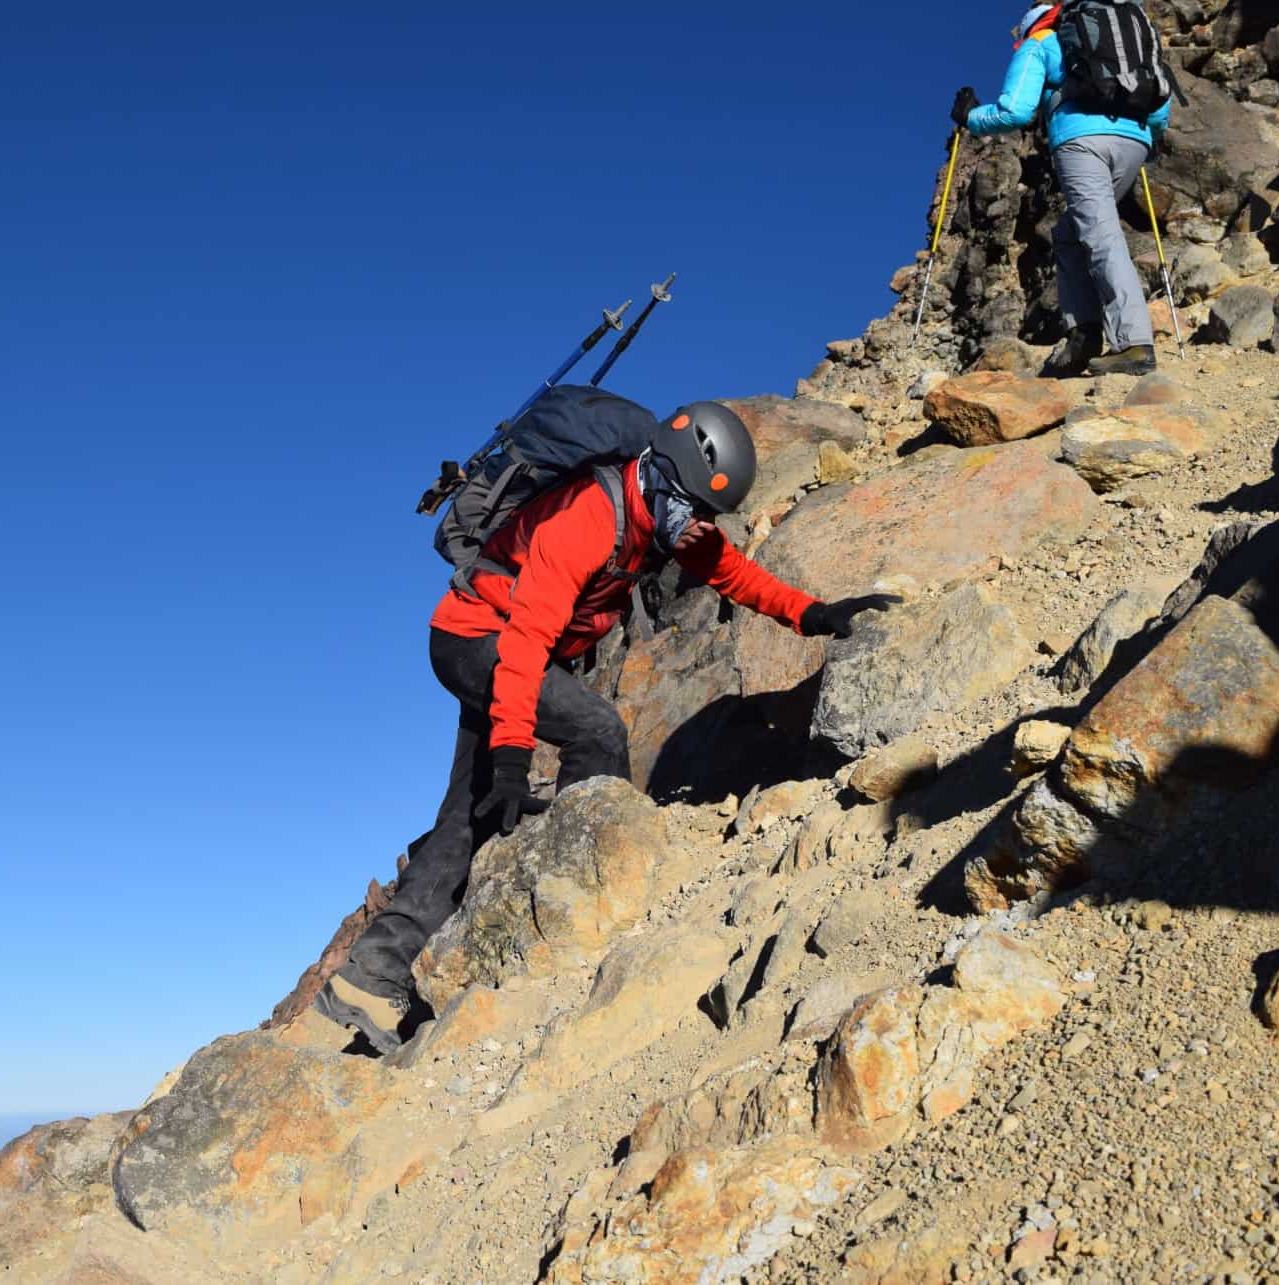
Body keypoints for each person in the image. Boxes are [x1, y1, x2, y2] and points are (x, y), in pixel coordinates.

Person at [313, 398, 899, 1054]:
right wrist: (511, 753)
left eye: (710, 515)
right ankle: (586, 911)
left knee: (468, 812)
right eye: (697, 510)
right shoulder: (590, 516)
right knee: (597, 731)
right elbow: (527, 638)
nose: (702, 527)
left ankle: (368, 979)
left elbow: (734, 574)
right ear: (666, 478)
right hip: (478, 638)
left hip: (496, 642)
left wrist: (812, 613)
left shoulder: (666, 517)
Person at [951, 3, 1173, 377]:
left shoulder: (1041, 42)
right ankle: (1083, 335)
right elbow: (1159, 112)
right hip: (1134, 142)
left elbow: (1016, 112)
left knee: (1100, 235)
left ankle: (1134, 344)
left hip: (1081, 142)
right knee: (1070, 232)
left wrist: (970, 117)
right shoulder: (1125, 40)